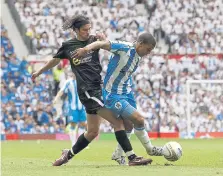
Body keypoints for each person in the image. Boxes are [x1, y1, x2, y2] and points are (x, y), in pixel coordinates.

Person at [31, 15, 152, 166]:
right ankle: (132, 157)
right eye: (84, 30)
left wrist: (103, 38)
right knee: (118, 122)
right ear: (75, 30)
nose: (87, 32)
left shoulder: (93, 40)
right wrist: (39, 72)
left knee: (92, 132)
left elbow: (111, 47)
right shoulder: (69, 45)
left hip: (98, 87)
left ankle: (66, 155)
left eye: (89, 29)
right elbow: (55, 60)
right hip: (87, 90)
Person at [73, 31, 164, 165]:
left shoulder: (138, 55)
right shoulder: (125, 47)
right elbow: (102, 44)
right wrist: (85, 49)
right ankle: (150, 149)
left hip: (126, 92)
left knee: (129, 124)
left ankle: (118, 154)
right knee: (139, 119)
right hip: (112, 94)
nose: (149, 52)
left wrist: (105, 38)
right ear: (140, 44)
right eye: (148, 49)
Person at [53, 73, 87, 146]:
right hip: (73, 107)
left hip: (82, 107)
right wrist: (56, 98)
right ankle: (73, 144)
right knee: (73, 124)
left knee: (82, 124)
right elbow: (62, 91)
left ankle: (80, 144)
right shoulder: (68, 82)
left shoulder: (82, 81)